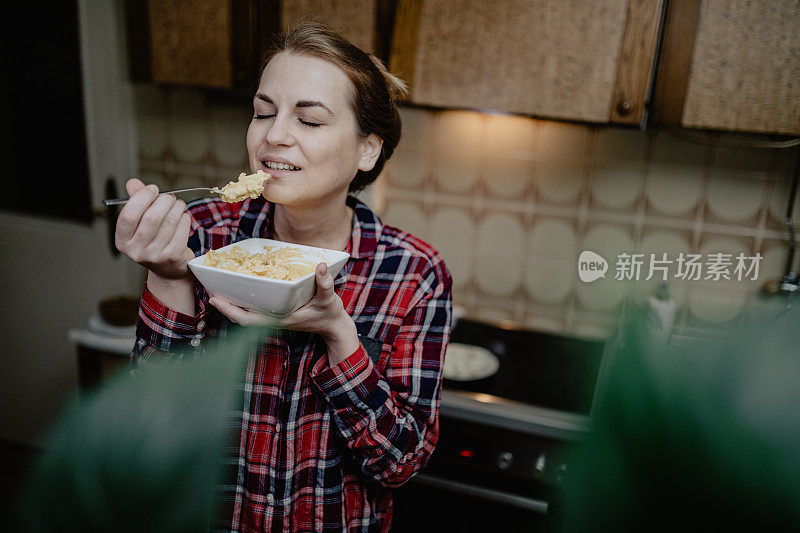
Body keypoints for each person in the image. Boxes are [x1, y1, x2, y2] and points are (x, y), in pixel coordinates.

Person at [115, 22, 453, 532]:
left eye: (309, 120)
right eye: (263, 112)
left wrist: (338, 335)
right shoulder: (203, 235)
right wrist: (168, 277)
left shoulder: (413, 273)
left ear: (367, 150)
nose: (273, 135)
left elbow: (398, 464)